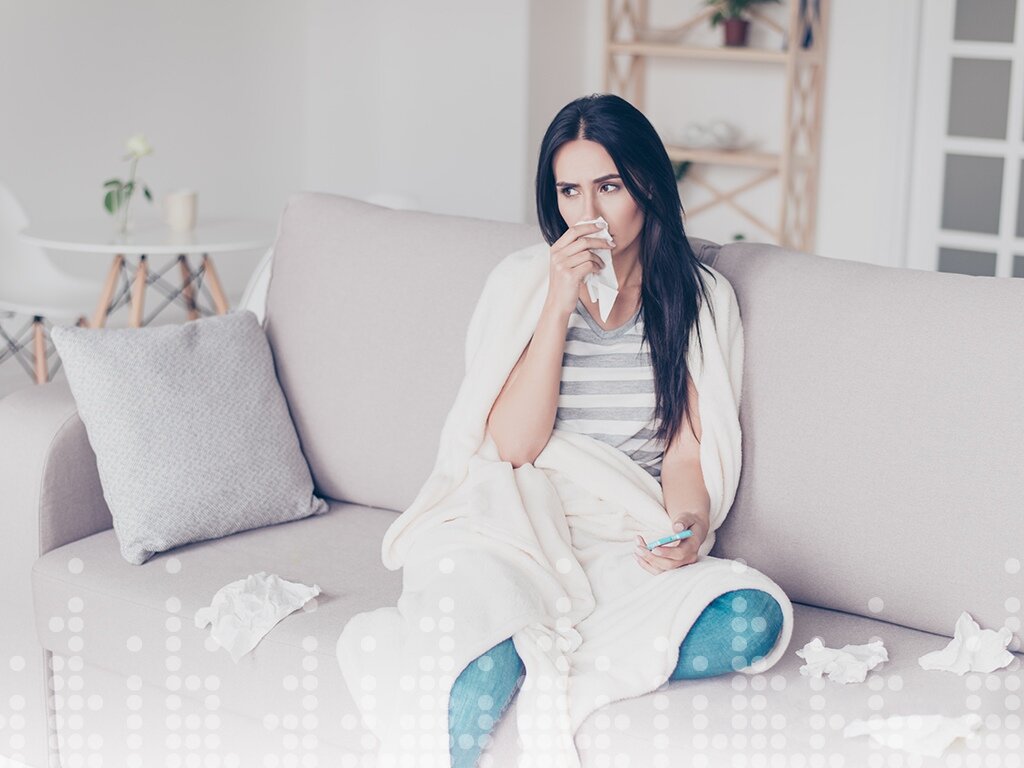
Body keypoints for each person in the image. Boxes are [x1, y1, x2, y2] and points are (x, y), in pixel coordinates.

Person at [447, 93, 784, 767]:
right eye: (569, 191)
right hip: (523, 523)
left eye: (608, 187)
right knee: (481, 659)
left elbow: (685, 453)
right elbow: (513, 449)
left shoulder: (697, 299)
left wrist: (688, 525)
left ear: (648, 185)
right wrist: (558, 302)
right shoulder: (522, 284)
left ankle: (551, 665)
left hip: (621, 532)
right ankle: (530, 655)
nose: (588, 214)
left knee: (755, 618)